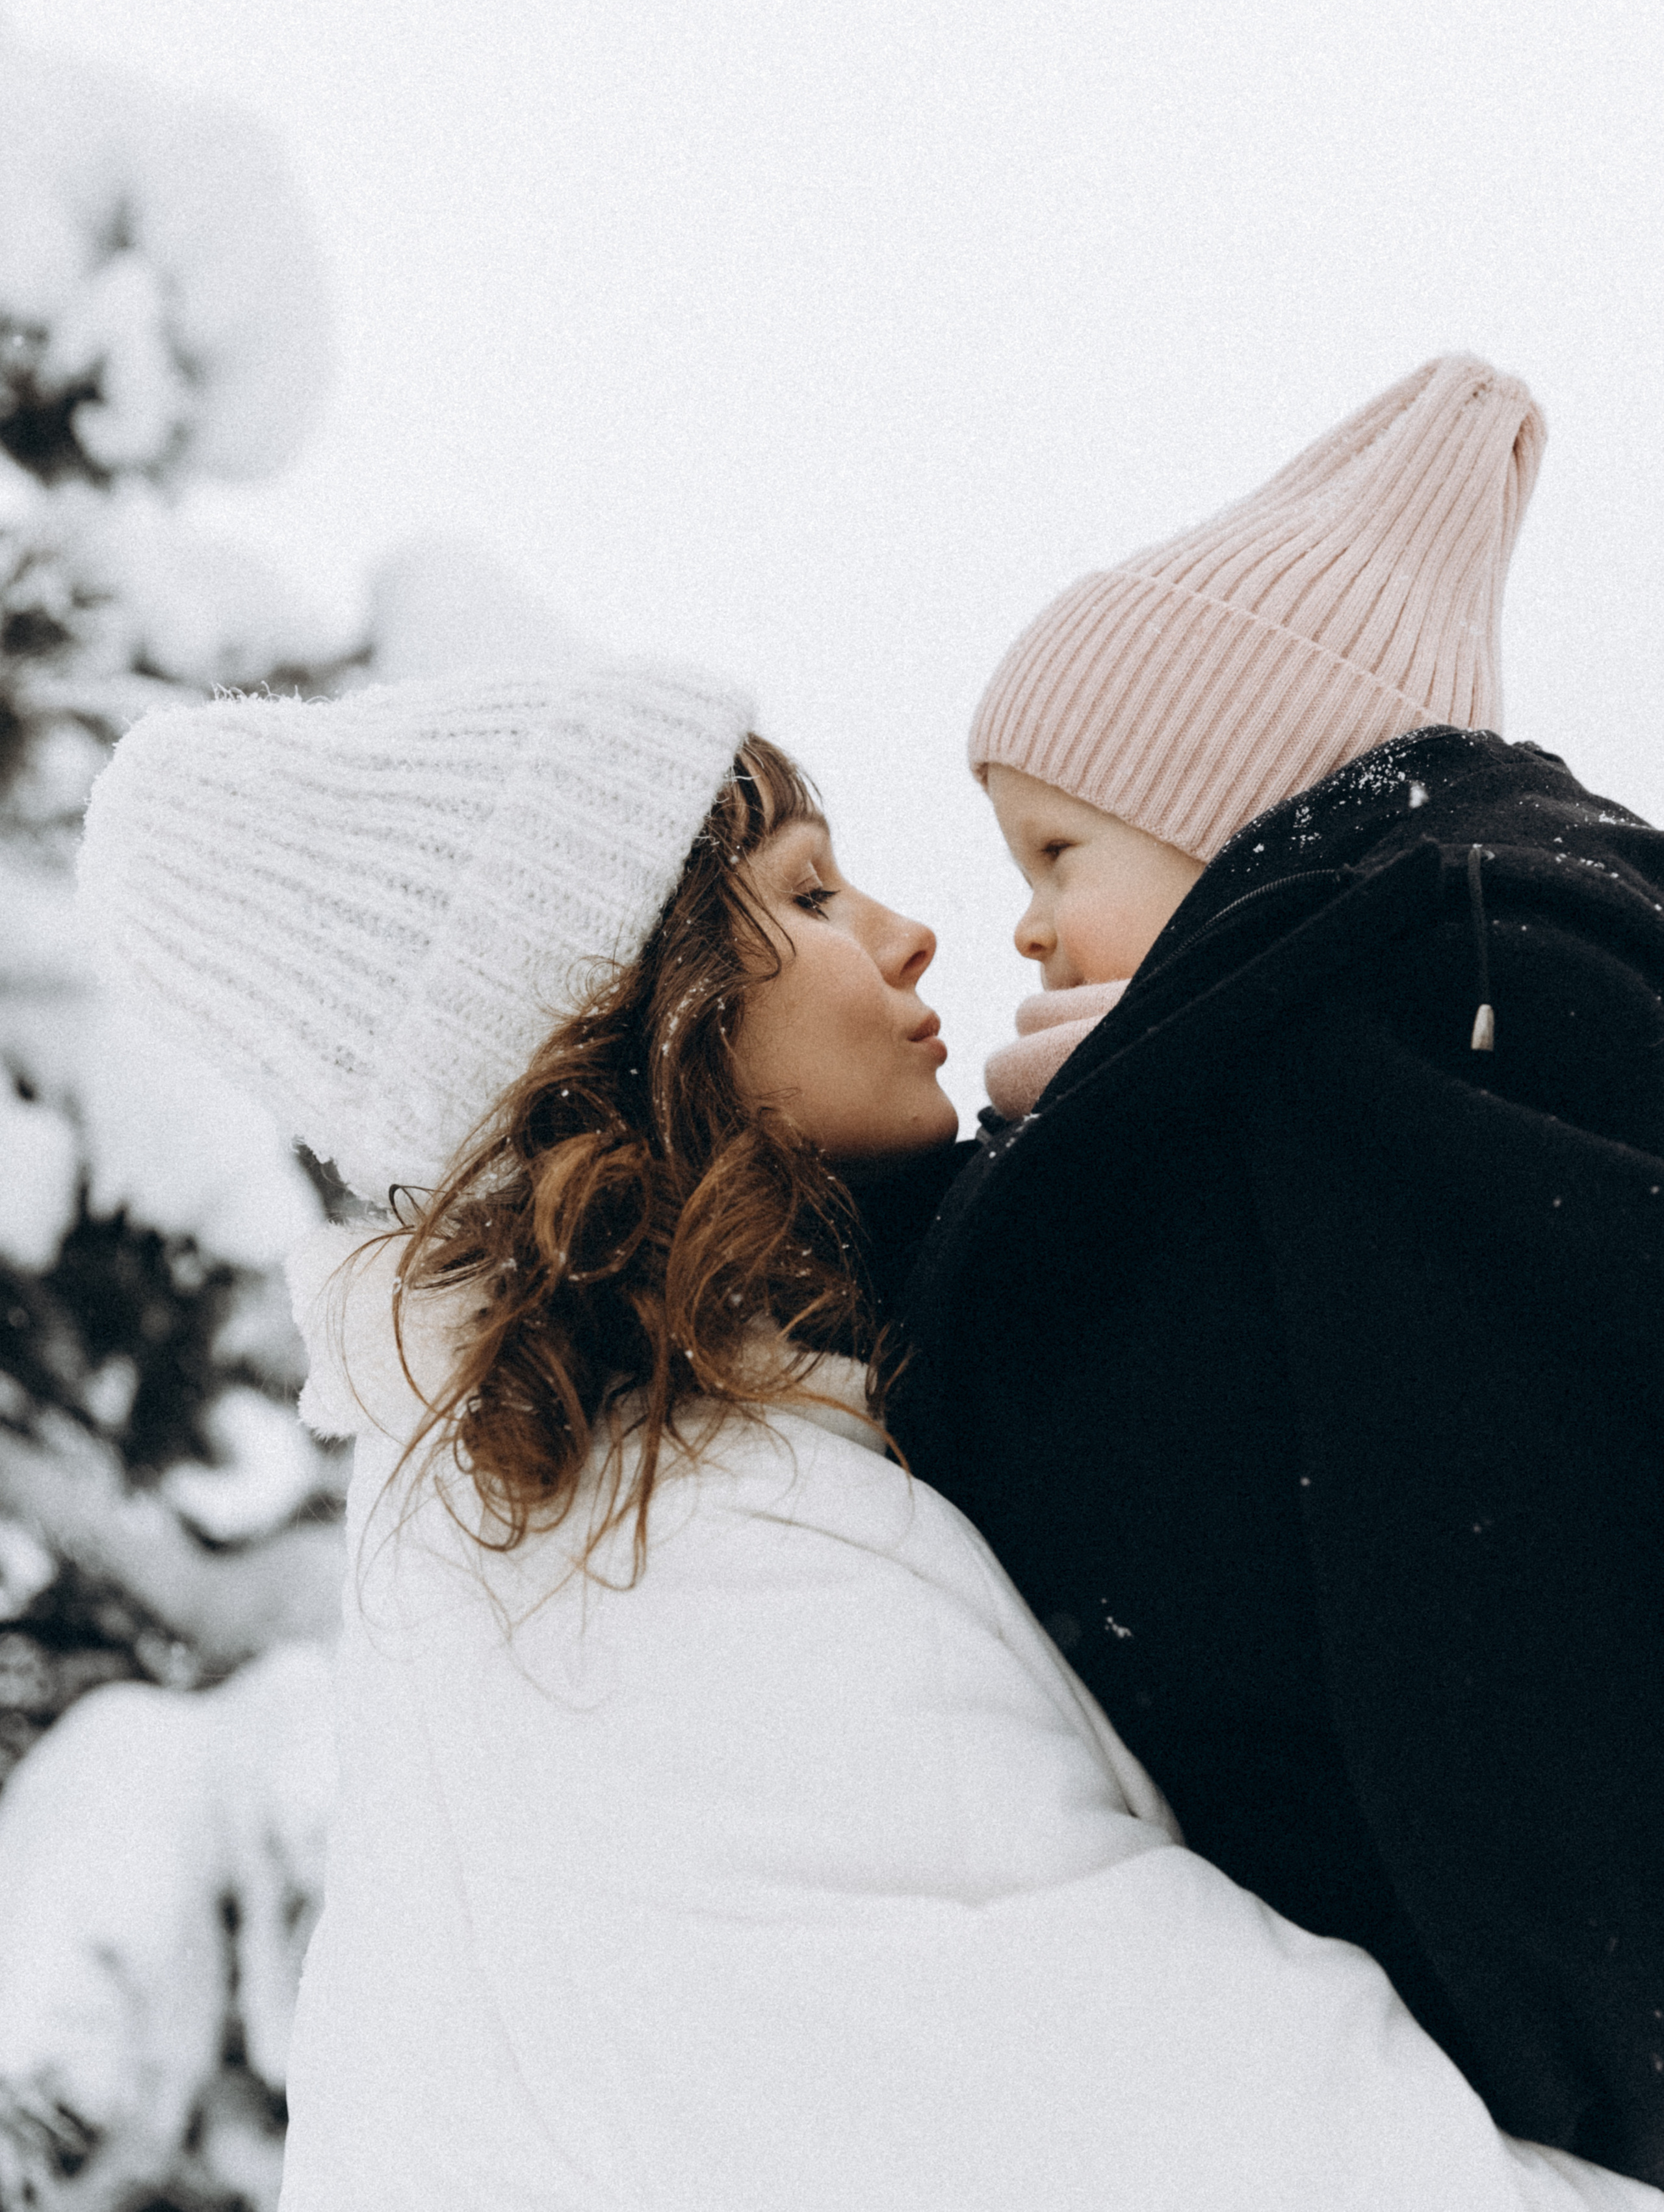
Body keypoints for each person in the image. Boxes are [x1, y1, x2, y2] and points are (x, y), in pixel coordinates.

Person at [79, 645, 1657, 2210]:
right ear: (636, 1011)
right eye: (814, 895)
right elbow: (1241, 2149)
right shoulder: (673, 1574)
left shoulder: (601, 1502)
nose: (910, 940)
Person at [882, 354, 1664, 2188]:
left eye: (1057, 845)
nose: (1012, 915)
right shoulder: (1316, 1062)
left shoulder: (1451, 1004)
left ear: (1235, 807)